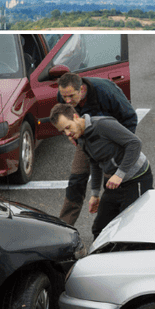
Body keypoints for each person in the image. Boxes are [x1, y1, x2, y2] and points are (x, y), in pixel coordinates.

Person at [49, 103, 152, 239]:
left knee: (128, 227)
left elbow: (135, 143)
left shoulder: (102, 125)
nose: (68, 134)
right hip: (115, 183)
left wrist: (119, 174)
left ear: (75, 117)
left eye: (68, 127)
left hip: (137, 178)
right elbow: (95, 162)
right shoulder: (81, 138)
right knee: (99, 228)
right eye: (63, 131)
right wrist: (95, 194)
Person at [55, 73, 139, 226]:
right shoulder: (64, 95)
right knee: (75, 182)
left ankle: (118, 226)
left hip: (111, 140)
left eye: (71, 96)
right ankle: (64, 227)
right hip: (85, 140)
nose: (67, 101)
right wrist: (74, 137)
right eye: (64, 96)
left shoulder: (106, 92)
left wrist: (119, 149)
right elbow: (65, 118)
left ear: (81, 89)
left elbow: (130, 118)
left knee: (112, 186)